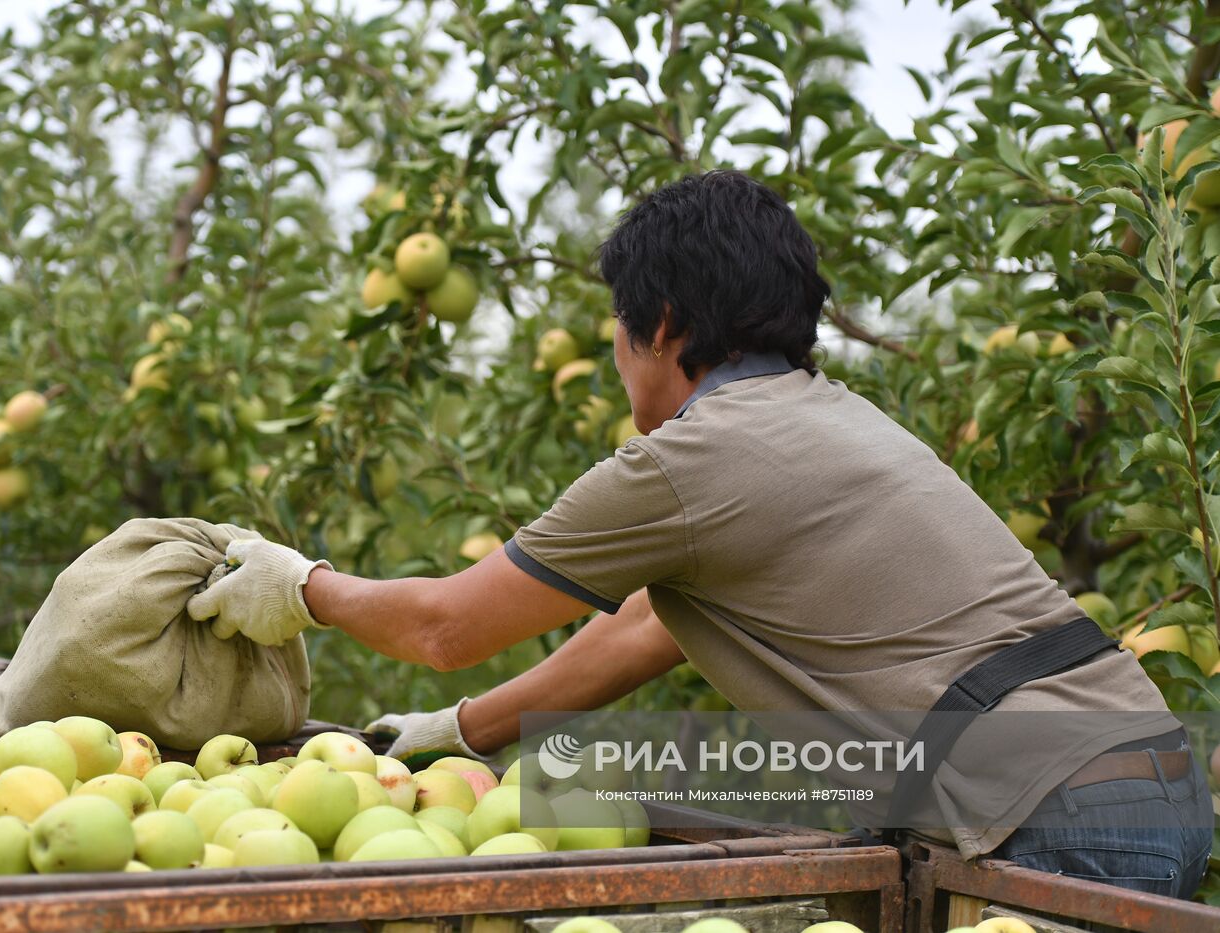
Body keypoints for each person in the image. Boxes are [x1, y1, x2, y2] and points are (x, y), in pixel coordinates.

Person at [188, 170, 1214, 897]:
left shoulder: (693, 459)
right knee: (623, 769)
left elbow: (443, 628)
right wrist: (461, 735)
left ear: (663, 325)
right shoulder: (831, 416)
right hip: (1142, 774)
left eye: (618, 335)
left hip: (1050, 815)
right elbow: (646, 630)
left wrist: (299, 585)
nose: (619, 363)